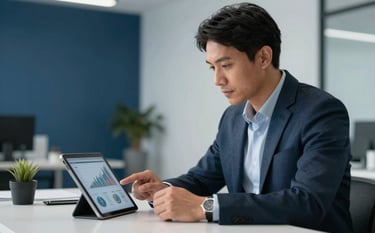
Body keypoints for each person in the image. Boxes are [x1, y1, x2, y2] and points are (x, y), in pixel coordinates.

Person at [120, 3, 353, 233]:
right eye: (212, 68)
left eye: (226, 65)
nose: (217, 80)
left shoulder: (321, 111)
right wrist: (162, 190)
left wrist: (205, 207)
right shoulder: (233, 117)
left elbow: (307, 203)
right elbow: (202, 178)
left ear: (263, 57)